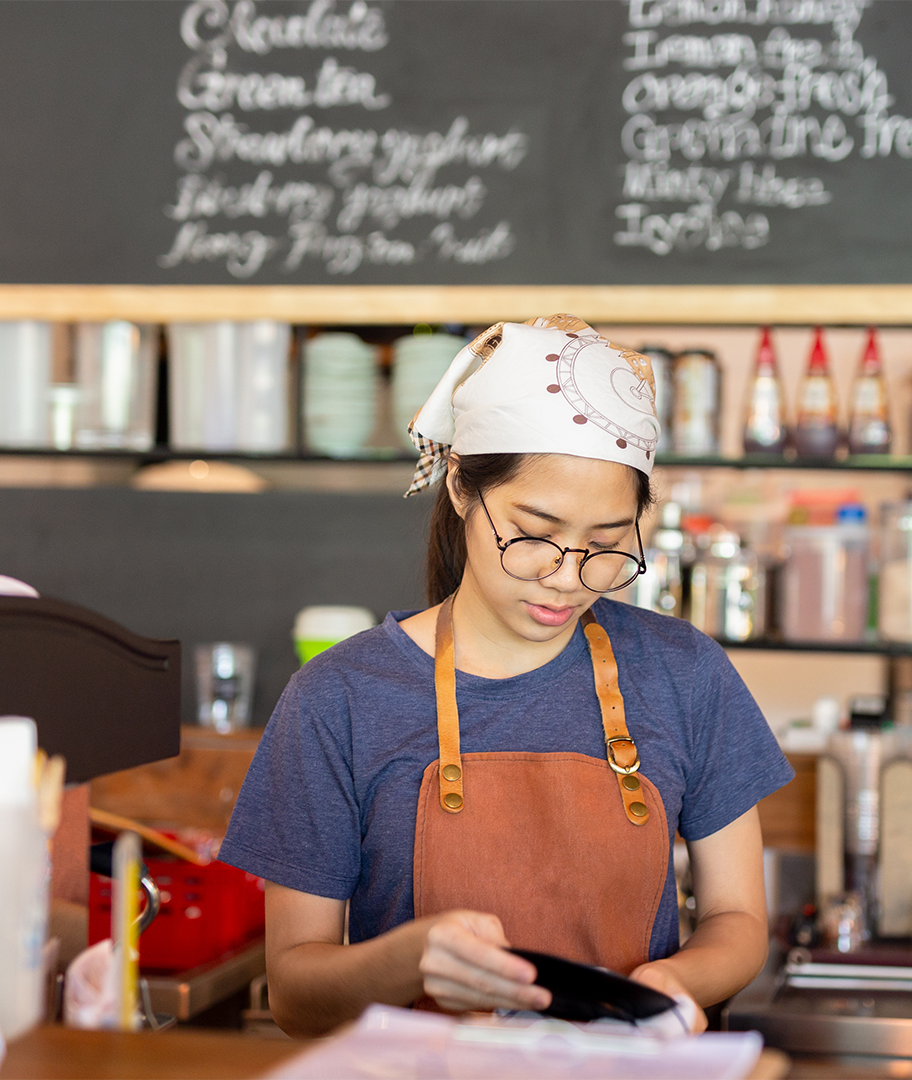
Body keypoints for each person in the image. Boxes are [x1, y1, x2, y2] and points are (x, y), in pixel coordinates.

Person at [222, 315, 793, 1039]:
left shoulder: (686, 673)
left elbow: (737, 920)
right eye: (535, 534)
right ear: (461, 485)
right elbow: (296, 994)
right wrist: (409, 960)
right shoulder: (338, 699)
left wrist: (668, 984)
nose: (564, 579)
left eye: (606, 546)